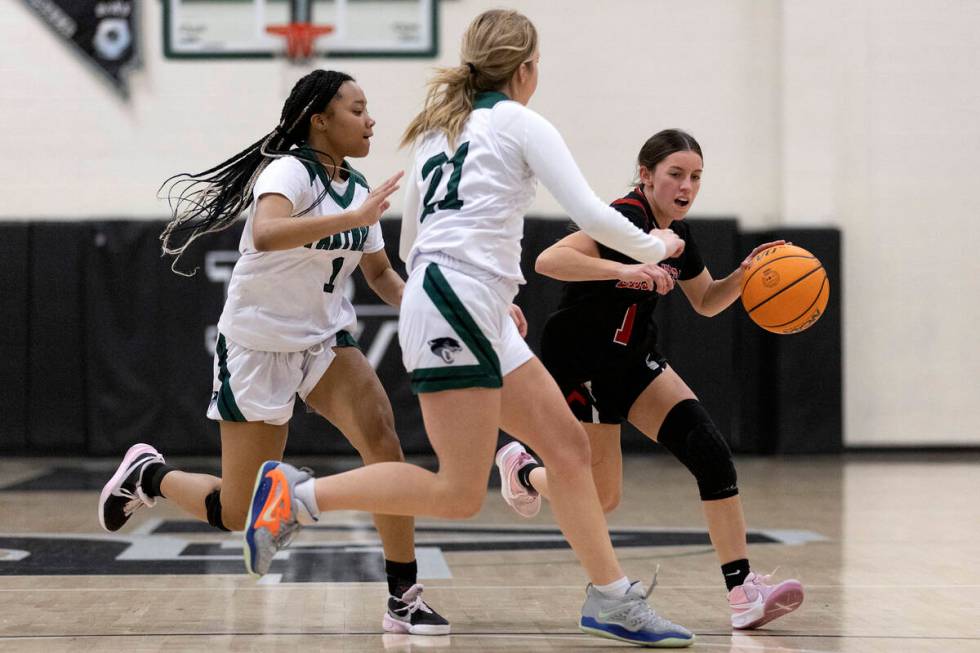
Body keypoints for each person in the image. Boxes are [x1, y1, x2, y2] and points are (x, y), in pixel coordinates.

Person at [243, 9, 697, 648]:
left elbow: (408, 242)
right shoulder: (518, 121)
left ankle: (611, 598)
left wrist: (485, 288)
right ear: (528, 67)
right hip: (457, 301)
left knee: (566, 449)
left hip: (468, 299)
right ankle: (299, 496)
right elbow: (592, 210)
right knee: (458, 493)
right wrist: (656, 247)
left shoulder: (439, 130)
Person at [97, 69, 450, 636]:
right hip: (257, 345)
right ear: (320, 120)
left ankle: (403, 595)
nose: (371, 119)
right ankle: (151, 476)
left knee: (384, 442)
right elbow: (265, 231)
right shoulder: (288, 170)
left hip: (324, 341)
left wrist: (430, 307)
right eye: (357, 109)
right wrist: (351, 220)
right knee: (239, 513)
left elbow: (381, 274)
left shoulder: (359, 188)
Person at [494, 128, 805, 630]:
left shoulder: (679, 236)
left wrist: (748, 274)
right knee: (600, 495)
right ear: (646, 175)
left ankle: (743, 591)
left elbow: (705, 302)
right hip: (584, 361)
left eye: (696, 177)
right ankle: (525, 472)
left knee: (709, 451)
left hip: (633, 358)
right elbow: (549, 260)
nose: (687, 186)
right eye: (676, 174)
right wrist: (628, 270)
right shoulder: (627, 217)